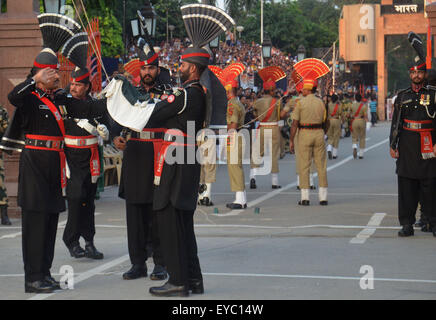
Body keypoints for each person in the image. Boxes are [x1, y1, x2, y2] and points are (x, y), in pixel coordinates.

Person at [6, 17, 107, 293]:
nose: (55, 75)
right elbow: (13, 97)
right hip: (35, 163)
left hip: (55, 164)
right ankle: (33, 277)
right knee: (36, 222)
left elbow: (85, 109)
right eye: (50, 72)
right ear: (39, 74)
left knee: (50, 220)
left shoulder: (57, 97)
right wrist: (34, 79)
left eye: (55, 71)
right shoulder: (30, 96)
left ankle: (46, 272)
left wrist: (112, 99)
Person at [113, 38, 168, 281]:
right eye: (143, 68)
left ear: (158, 68)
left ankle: (160, 263)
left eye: (151, 68)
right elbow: (115, 120)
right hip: (134, 153)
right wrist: (115, 137)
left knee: (158, 212)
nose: (147, 72)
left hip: (157, 154)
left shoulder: (168, 93)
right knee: (134, 212)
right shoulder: (129, 92)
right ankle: (137, 263)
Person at [389, 32, 436, 237]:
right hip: (407, 144)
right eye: (413, 73)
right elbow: (396, 122)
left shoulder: (433, 94)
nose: (417, 75)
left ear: (425, 74)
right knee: (406, 185)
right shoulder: (402, 96)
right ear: (410, 74)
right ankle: (407, 224)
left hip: (428, 143)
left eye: (420, 72)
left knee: (431, 185)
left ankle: (432, 222)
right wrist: (393, 144)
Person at [62, 66, 107, 260]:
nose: (73, 88)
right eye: (72, 84)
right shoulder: (64, 103)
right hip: (71, 156)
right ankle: (71, 240)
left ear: (87, 86)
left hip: (91, 157)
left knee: (88, 201)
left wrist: (106, 132)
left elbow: (108, 125)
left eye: (78, 85)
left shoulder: (94, 104)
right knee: (75, 199)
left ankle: (89, 241)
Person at [289, 58, 330, 206]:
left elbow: (294, 124)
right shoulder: (321, 103)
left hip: (304, 133)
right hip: (319, 133)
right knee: (321, 166)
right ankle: (323, 197)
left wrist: (291, 140)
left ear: (307, 89)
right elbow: (327, 122)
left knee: (304, 166)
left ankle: (305, 197)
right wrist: (323, 132)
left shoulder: (301, 103)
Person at [250, 66, 285, 189]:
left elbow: (254, 114)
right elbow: (280, 116)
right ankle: (274, 181)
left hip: (262, 128)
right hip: (274, 128)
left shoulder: (258, 101)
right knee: (273, 154)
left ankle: (253, 177)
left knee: (257, 153)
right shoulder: (277, 101)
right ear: (271, 90)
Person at [225, 76, 247, 210]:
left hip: (234, 134)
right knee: (236, 166)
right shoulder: (238, 103)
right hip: (239, 134)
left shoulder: (232, 104)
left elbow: (233, 123)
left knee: (234, 166)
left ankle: (240, 199)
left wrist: (227, 135)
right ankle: (241, 197)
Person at [0, 104, 10, 225]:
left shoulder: (1, 111)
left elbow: (7, 131)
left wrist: (2, 146)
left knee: (0, 184)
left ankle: (4, 214)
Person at [350, 93, 367, 159]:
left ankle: (354, 146)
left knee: (354, 136)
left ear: (355, 98)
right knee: (362, 137)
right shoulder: (364, 106)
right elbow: (365, 116)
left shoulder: (352, 105)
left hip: (354, 121)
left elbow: (349, 114)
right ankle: (361, 154)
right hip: (361, 121)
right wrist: (368, 122)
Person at [326, 94, 342, 160]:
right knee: (336, 136)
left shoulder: (328, 105)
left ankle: (329, 148)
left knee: (330, 136)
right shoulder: (339, 105)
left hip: (329, 121)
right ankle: (334, 154)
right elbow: (341, 112)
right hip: (336, 120)